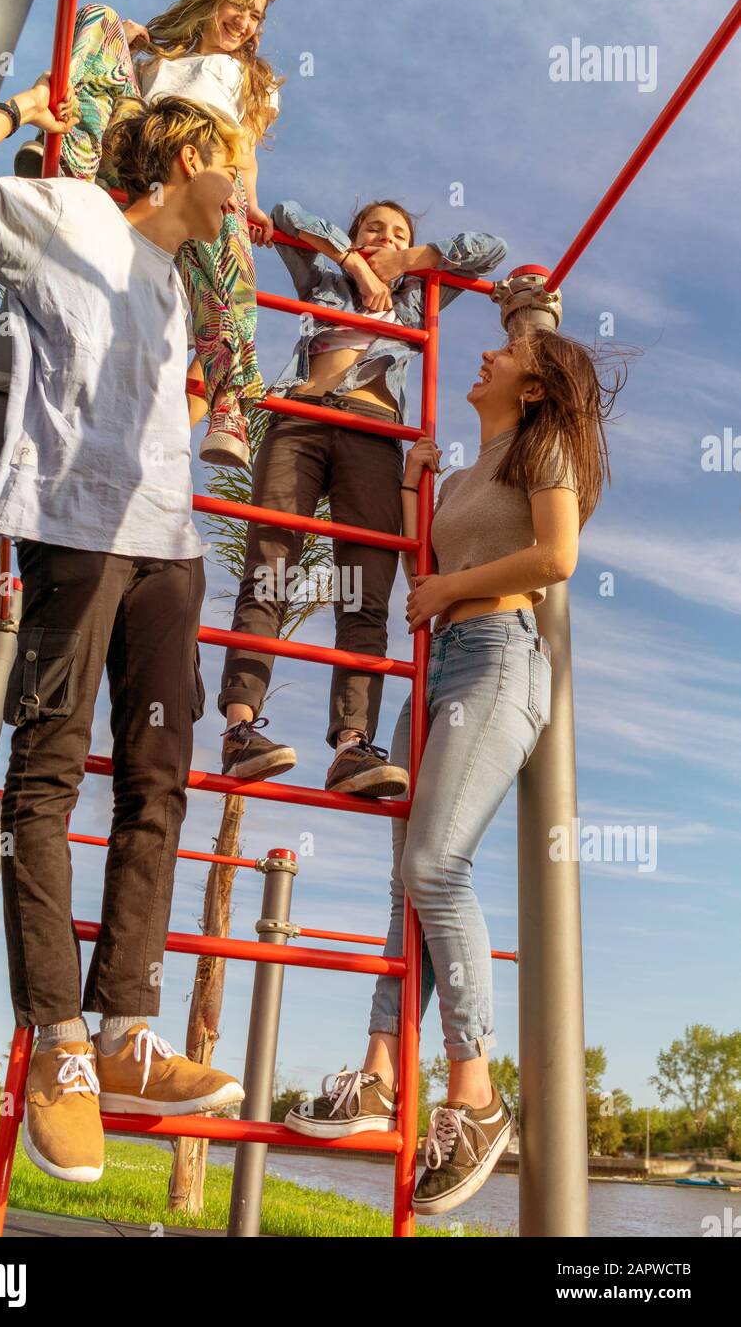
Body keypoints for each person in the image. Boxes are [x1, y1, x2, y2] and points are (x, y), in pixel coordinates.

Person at [0, 75, 247, 1183]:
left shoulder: (177, 284)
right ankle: (59, 1048)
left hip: (168, 546)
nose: (243, 195)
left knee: (158, 780)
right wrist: (18, 105)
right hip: (75, 530)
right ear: (183, 159)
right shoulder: (71, 214)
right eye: (232, 166)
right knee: (47, 778)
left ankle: (124, 1026)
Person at [284, 328, 622, 1215]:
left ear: (539, 384)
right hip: (436, 672)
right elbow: (420, 572)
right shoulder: (470, 473)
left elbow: (556, 559)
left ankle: (475, 1092)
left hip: (498, 659)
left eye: (509, 351)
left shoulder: (544, 448)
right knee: (409, 885)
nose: (486, 356)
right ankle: (380, 1073)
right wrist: (410, 485)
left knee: (437, 866)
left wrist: (449, 594)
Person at [218, 198, 507, 797]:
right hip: (300, 418)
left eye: (398, 231)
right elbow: (287, 213)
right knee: (270, 570)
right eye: (374, 227)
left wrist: (412, 258)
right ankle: (241, 729)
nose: (386, 236)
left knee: (364, 592)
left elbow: (488, 250)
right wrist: (353, 262)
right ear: (353, 235)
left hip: (375, 436)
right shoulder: (320, 275)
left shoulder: (415, 298)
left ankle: (352, 746)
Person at [14, 0, 284, 470]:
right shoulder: (158, 57)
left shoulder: (253, 79)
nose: (245, 22)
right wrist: (134, 46)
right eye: (238, 5)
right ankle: (69, 154)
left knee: (222, 215)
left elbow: (244, 153)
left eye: (256, 15)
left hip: (201, 158)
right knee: (101, 18)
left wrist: (249, 201)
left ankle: (229, 400)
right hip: (141, 147)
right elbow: (120, 83)